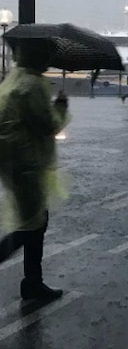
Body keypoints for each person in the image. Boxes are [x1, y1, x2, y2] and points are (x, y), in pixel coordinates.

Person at [0, 40, 70, 301]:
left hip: (14, 162)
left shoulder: (14, 79)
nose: (50, 59)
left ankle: (32, 282)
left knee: (33, 223)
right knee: (31, 226)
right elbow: (49, 125)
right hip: (28, 164)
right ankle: (32, 283)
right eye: (47, 54)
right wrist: (61, 106)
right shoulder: (31, 87)